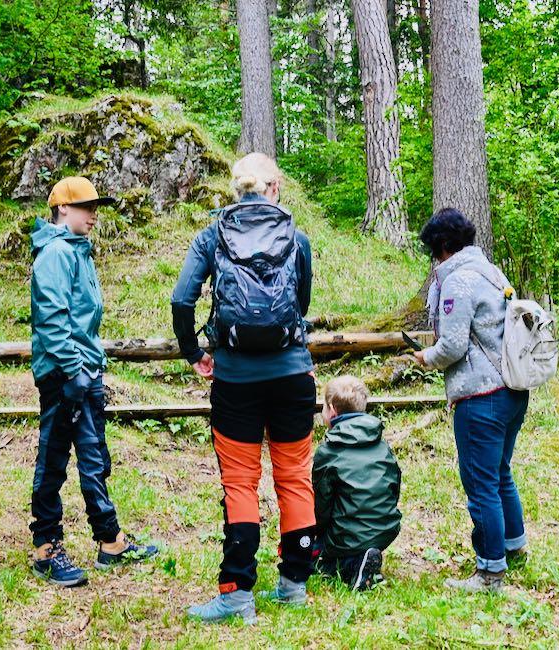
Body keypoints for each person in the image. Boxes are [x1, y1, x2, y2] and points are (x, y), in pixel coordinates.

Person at [172, 153, 317, 624]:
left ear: (236, 189)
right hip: (292, 375)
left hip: (234, 379)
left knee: (240, 484)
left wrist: (195, 354)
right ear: (274, 188)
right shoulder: (297, 239)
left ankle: (236, 594)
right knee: (294, 477)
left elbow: (181, 299)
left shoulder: (212, 236)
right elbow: (301, 302)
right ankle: (294, 584)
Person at [28, 176, 157, 587]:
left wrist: (90, 370)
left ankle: (110, 541)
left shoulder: (78, 252)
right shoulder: (54, 255)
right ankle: (45, 548)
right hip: (64, 374)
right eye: (86, 207)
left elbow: (83, 321)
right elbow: (52, 321)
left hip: (84, 371)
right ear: (63, 209)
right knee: (54, 460)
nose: (94, 214)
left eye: (95, 207)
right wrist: (74, 372)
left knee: (95, 456)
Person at [412, 208, 529, 594]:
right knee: (499, 473)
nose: (434, 259)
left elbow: (453, 345)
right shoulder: (491, 272)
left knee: (480, 482)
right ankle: (514, 546)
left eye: (434, 251)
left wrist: (426, 358)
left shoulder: (459, 280)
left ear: (444, 246)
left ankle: (490, 572)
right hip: (513, 389)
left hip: (481, 395)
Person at [312, 375, 401, 591]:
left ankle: (351, 565)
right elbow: (394, 486)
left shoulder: (328, 451)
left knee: (316, 558)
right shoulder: (382, 445)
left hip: (347, 534)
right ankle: (366, 559)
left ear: (332, 410)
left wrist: (317, 535)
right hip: (386, 529)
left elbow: (321, 505)